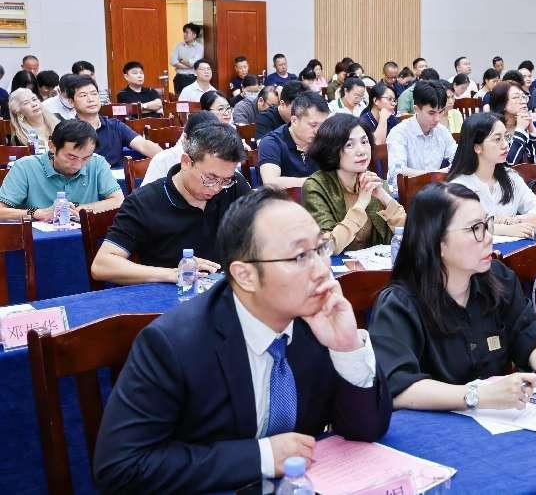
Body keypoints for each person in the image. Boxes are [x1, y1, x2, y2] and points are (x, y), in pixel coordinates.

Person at [93, 186, 391, 492]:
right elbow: (121, 467)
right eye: (300, 256)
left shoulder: (316, 319)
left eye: (320, 248)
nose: (322, 270)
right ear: (245, 275)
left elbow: (366, 429)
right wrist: (261, 456)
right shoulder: (174, 345)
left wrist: (347, 347)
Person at [368, 182, 536, 410]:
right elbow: (397, 386)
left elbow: (528, 332)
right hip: (432, 426)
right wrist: (477, 396)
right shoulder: (399, 305)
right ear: (437, 242)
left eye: (487, 224)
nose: (488, 237)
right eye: (475, 229)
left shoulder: (497, 279)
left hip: (497, 421)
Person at [91, 123, 251, 285]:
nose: (217, 188)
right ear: (186, 162)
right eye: (210, 178)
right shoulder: (144, 202)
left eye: (225, 180)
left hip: (225, 289)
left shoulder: (234, 186)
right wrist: (173, 274)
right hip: (169, 293)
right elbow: (102, 265)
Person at [303, 115, 405, 252]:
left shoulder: (372, 181)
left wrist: (385, 197)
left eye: (364, 142)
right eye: (349, 145)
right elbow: (326, 247)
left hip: (377, 265)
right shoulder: (316, 186)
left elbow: (409, 237)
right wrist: (361, 203)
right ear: (331, 150)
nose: (361, 151)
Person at [447, 113, 536, 237]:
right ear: (477, 147)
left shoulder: (510, 177)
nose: (505, 145)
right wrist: (505, 229)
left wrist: (513, 221)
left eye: (506, 137)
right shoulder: (459, 185)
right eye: (497, 139)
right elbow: (463, 227)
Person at [0, 120, 123, 221]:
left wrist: (78, 210)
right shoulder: (25, 167)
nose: (78, 165)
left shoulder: (97, 162)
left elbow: (118, 200)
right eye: (71, 157)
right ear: (52, 147)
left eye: (86, 158)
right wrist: (38, 213)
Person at [69, 75, 161, 167]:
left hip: (118, 174)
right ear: (71, 102)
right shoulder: (69, 131)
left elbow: (143, 145)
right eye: (83, 95)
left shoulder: (115, 125)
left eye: (94, 94)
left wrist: (165, 158)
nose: (91, 99)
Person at [386, 80, 457, 183]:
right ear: (416, 109)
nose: (437, 119)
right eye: (431, 113)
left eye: (441, 111)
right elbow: (398, 171)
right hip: (407, 190)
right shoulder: (399, 133)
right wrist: (436, 174)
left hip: (434, 188)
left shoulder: (442, 131)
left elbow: (457, 158)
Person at [258, 91, 329, 188]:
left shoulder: (325, 139)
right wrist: (316, 182)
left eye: (323, 125)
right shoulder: (271, 142)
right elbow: (271, 182)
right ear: (294, 120)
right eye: (313, 125)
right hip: (284, 197)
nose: (318, 131)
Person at [141, 111, 218, 185]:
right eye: (200, 143)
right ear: (185, 139)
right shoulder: (163, 160)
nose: (206, 149)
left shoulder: (220, 159)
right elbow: (147, 193)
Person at [489, 81, 536, 165]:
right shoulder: (493, 129)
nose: (523, 101)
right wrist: (520, 130)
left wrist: (532, 131)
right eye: (516, 97)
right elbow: (508, 165)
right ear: (502, 104)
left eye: (523, 97)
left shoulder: (524, 125)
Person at [170, 22, 204, 94]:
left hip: (191, 79)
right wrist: (188, 65)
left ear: (194, 35)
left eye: (187, 32)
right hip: (179, 78)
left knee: (191, 99)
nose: (184, 35)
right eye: (184, 32)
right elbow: (172, 61)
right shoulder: (179, 45)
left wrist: (181, 60)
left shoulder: (199, 48)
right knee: (179, 99)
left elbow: (193, 63)